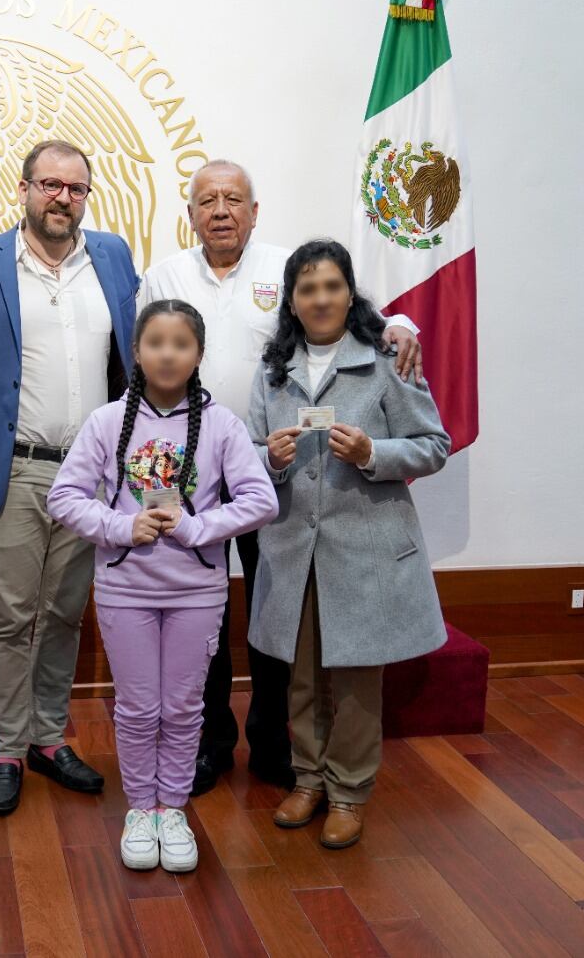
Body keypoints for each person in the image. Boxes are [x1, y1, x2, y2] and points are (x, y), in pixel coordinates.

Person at [139, 159, 423, 795]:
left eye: (234, 199)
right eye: (207, 200)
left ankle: (275, 745)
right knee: (200, 615)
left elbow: (353, 318)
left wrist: (404, 326)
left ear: (254, 210)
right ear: (189, 214)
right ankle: (209, 742)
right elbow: (143, 353)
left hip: (274, 475)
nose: (221, 210)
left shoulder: (285, 268)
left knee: (276, 611)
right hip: (188, 471)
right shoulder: (164, 276)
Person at [0, 140, 139, 815]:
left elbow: (131, 362)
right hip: (16, 466)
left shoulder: (111, 257)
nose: (62, 197)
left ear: (88, 195)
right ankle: (5, 747)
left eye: (76, 188)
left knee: (63, 612)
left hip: (91, 473)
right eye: (49, 185)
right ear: (24, 189)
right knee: (11, 616)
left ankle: (48, 739)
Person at [47, 299, 277, 871]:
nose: (167, 354)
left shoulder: (223, 424)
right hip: (126, 590)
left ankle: (172, 807)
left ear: (198, 353)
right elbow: (64, 498)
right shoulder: (105, 422)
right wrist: (122, 526)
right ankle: (140, 808)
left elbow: (261, 500)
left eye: (181, 344)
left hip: (197, 592)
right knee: (137, 707)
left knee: (181, 707)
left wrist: (199, 527)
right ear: (137, 351)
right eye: (156, 343)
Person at [247, 238, 449, 849]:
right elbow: (251, 452)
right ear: (292, 299)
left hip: (363, 540)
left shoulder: (387, 358)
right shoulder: (273, 367)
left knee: (358, 678)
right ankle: (307, 780)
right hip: (292, 544)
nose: (320, 298)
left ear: (349, 291)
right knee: (302, 674)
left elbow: (433, 444)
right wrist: (271, 460)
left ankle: (349, 792)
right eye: (307, 288)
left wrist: (372, 453)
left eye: (332, 286)